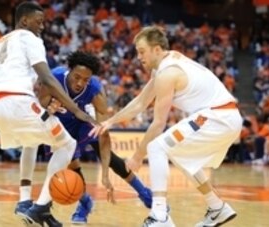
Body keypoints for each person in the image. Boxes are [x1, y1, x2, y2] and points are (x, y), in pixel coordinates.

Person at [90, 26, 242, 227]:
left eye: (142, 51)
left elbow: (158, 123)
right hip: (222, 117)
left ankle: (160, 215)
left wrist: (137, 156)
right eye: (137, 51)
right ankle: (217, 207)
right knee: (179, 155)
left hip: (218, 117)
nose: (138, 56)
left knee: (156, 147)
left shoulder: (168, 73)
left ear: (157, 49)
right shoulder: (165, 64)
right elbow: (140, 103)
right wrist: (110, 121)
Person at [0, 2, 110, 227]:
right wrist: (76, 110)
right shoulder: (31, 39)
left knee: (32, 141)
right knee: (67, 145)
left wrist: (46, 106)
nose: (41, 26)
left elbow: (31, 82)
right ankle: (40, 207)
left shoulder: (2, 41)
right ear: (24, 21)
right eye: (38, 21)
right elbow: (47, 79)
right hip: (16, 101)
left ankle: (24, 201)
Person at [15, 51, 152, 225]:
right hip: (62, 125)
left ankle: (146, 195)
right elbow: (41, 103)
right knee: (72, 168)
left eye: (85, 79)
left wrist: (104, 177)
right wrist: (49, 106)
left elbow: (104, 134)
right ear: (69, 70)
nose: (80, 83)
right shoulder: (54, 77)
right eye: (77, 77)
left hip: (83, 121)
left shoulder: (94, 91)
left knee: (113, 160)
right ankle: (85, 203)